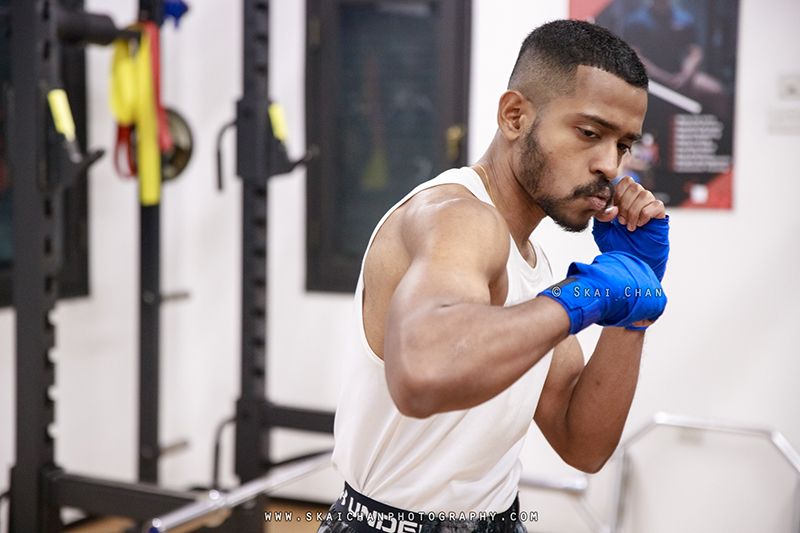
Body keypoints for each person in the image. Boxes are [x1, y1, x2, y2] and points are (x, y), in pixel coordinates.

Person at [319, 19, 669, 533]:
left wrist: (633, 307)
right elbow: (423, 374)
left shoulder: (533, 260)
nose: (609, 166)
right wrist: (583, 297)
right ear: (515, 116)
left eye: (622, 145)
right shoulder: (456, 217)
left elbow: (584, 443)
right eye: (590, 133)